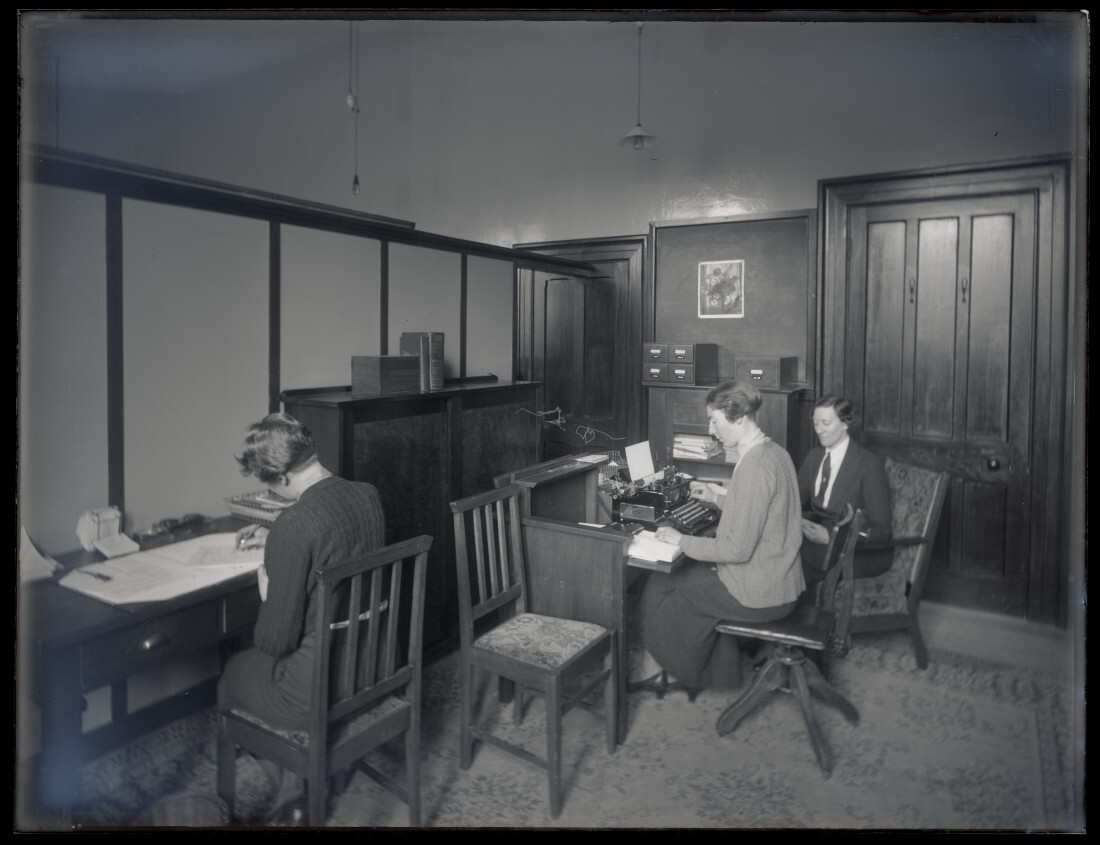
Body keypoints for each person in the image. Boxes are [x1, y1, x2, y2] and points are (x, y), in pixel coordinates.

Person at [216, 412, 385, 819]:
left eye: (270, 487)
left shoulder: (293, 526)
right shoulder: (367, 494)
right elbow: (331, 525)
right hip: (372, 665)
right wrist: (277, 531)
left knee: (230, 680)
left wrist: (267, 592)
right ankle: (295, 784)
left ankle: (293, 795)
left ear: (282, 477)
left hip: (312, 690)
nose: (273, 496)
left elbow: (276, 642)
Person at [632, 380, 805, 694]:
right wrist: (717, 497)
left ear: (738, 417)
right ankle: (716, 672)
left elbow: (737, 549)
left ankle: (671, 670)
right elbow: (762, 510)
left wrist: (678, 540)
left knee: (670, 590)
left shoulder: (753, 467)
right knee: (664, 580)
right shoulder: (774, 452)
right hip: (779, 579)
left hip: (760, 593)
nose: (711, 429)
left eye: (714, 419)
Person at [797, 395, 892, 586]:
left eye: (825, 423)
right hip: (819, 543)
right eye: (816, 423)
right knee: (778, 549)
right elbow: (794, 502)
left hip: (859, 552)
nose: (819, 430)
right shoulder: (814, 458)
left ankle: (801, 613)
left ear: (845, 423)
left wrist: (832, 538)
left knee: (792, 558)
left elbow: (881, 530)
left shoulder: (868, 464)